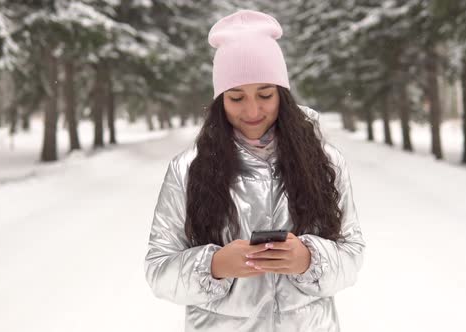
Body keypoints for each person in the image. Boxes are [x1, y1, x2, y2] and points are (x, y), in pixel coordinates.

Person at [144, 9, 366, 332]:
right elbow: (158, 270)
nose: (252, 111)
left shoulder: (325, 161)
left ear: (282, 94)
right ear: (220, 100)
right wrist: (216, 266)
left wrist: (308, 259)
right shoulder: (188, 169)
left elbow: (353, 255)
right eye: (236, 98)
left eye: (265, 94)